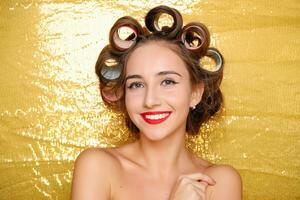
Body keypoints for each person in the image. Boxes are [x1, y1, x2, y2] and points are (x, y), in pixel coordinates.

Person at [71, 5, 242, 200]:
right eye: (136, 85)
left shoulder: (219, 181)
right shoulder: (97, 166)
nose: (150, 101)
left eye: (167, 82)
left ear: (195, 93)